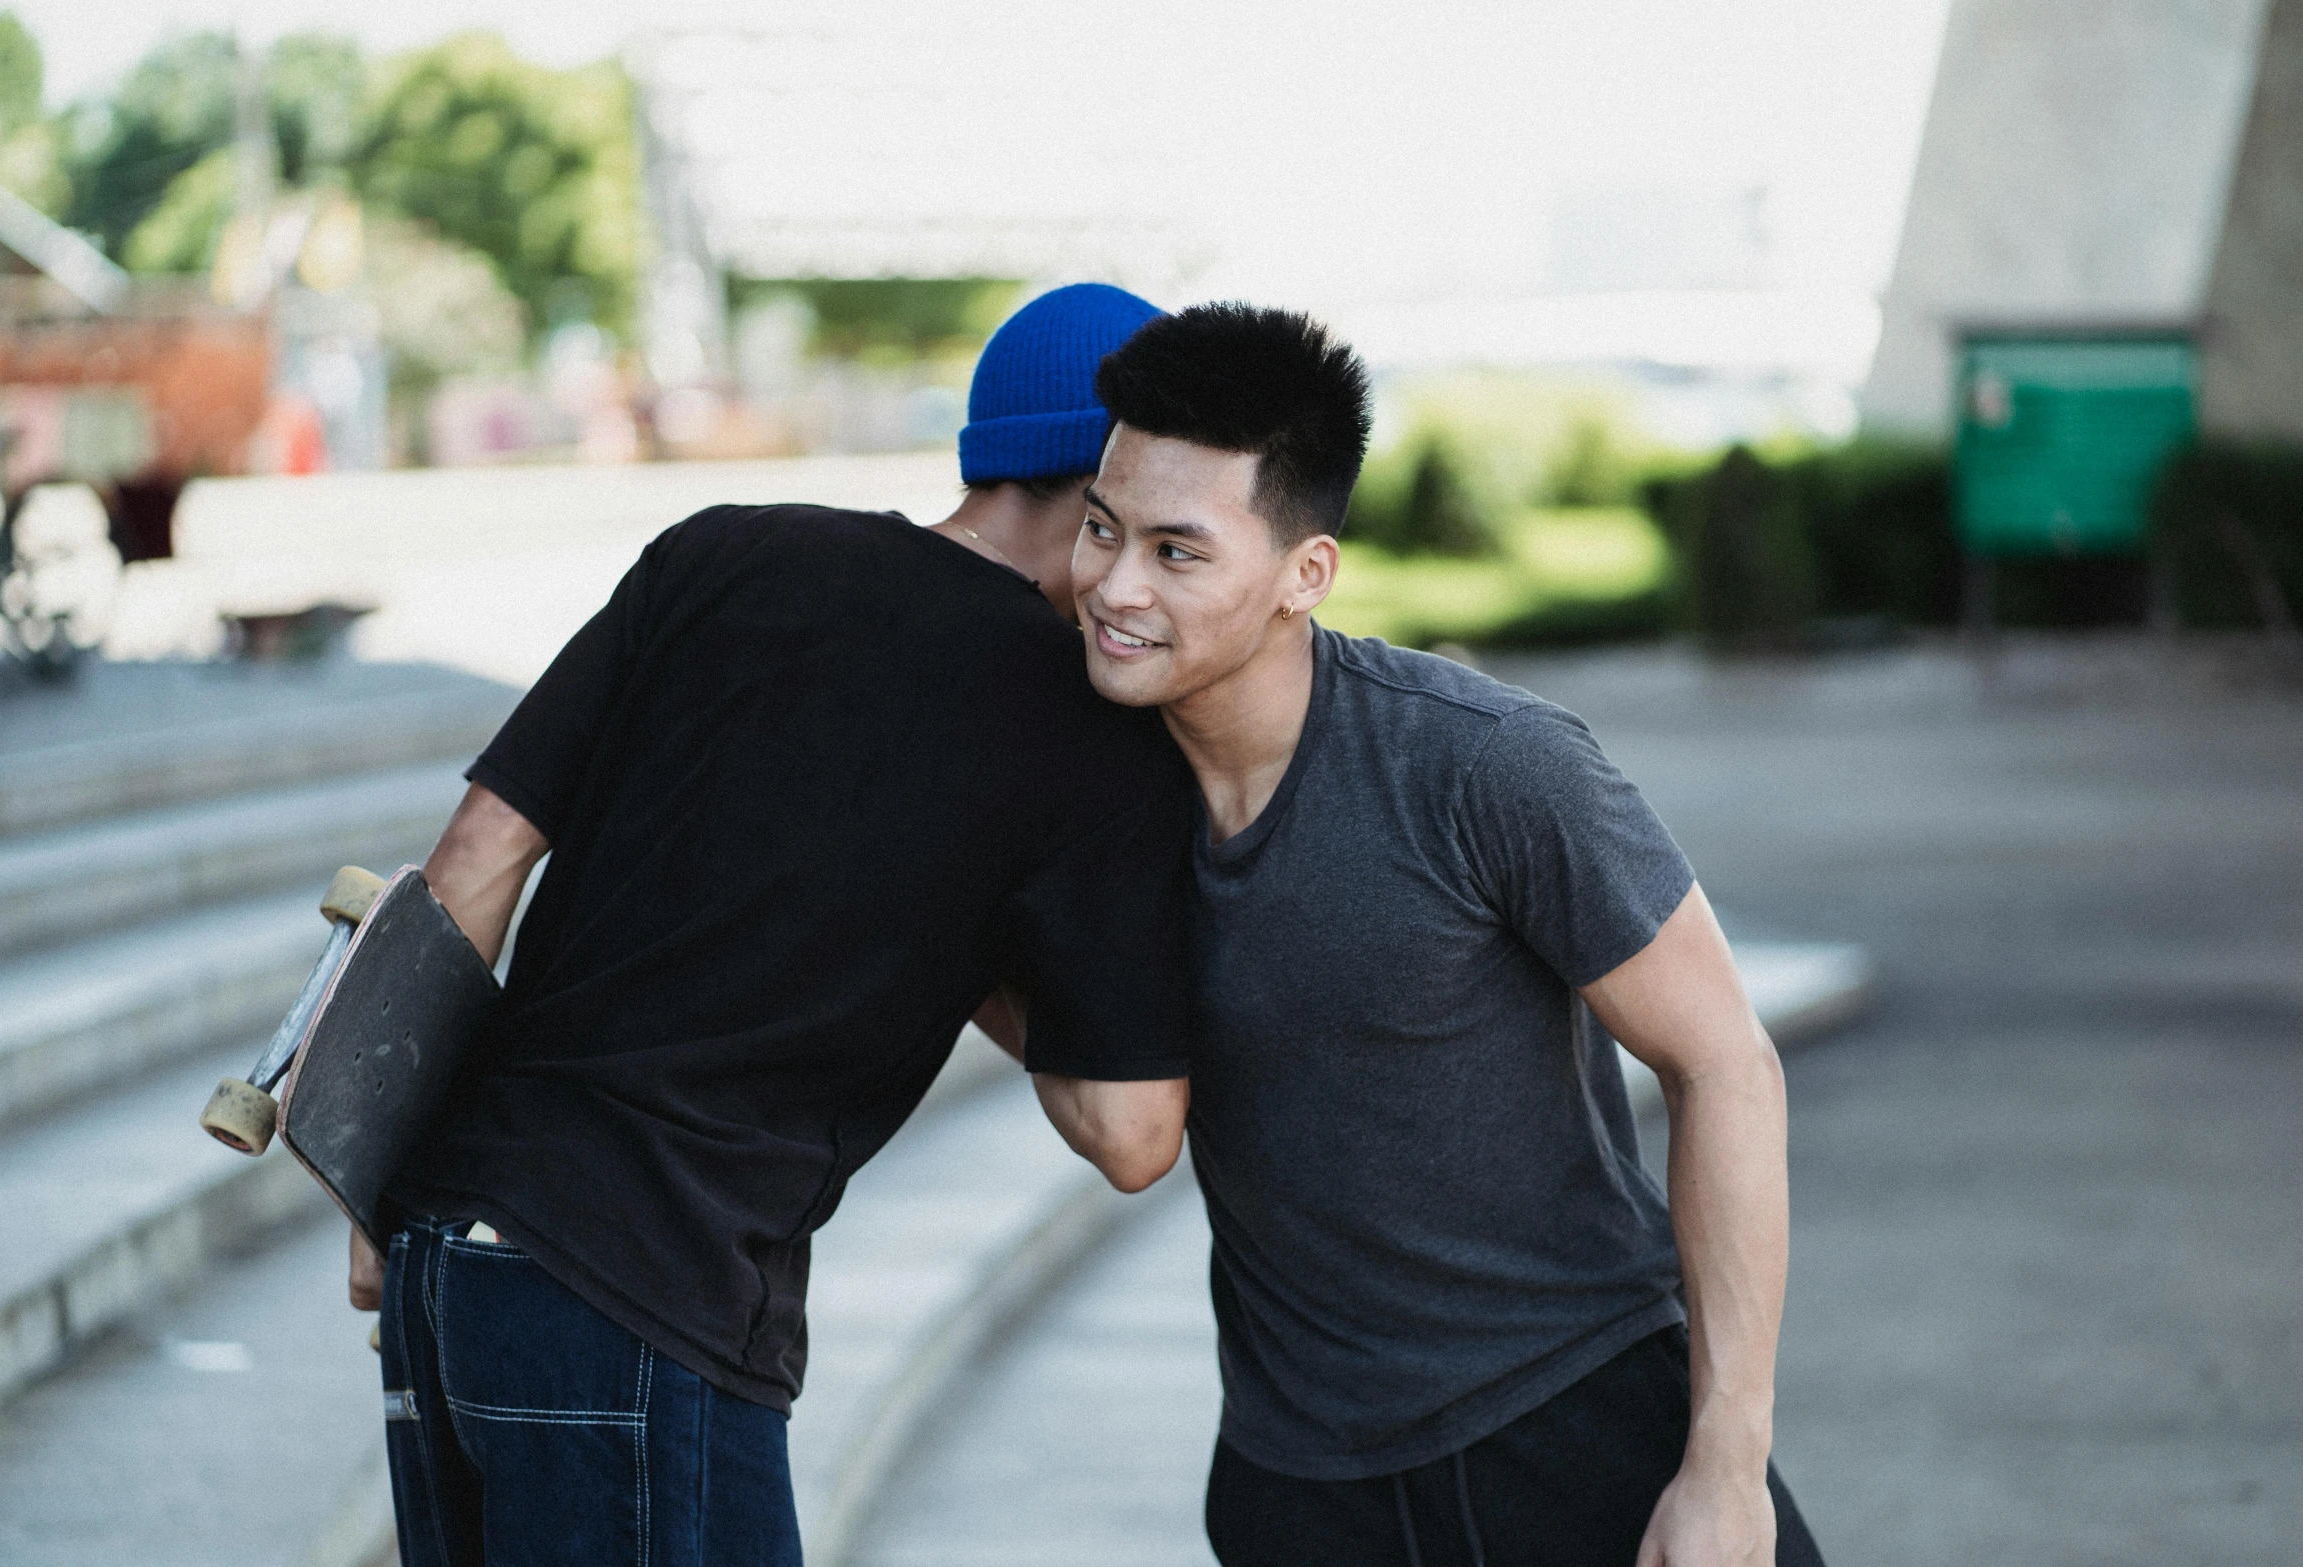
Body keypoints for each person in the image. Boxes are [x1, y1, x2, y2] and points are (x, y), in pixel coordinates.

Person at [353, 283, 1194, 1567]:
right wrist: (971, 938)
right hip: (649, 1293)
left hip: (444, 1255)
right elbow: (1132, 1134)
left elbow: (473, 863)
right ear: (1108, 481)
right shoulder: (1081, 726)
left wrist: (372, 1190)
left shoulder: (721, 552)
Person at [1070, 303, 1826, 1567]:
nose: (1115, 584)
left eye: (1175, 551)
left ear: (1303, 575)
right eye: (1102, 527)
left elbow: (1725, 1063)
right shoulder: (1089, 802)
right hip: (1296, 1487)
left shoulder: (1486, 767)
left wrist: (1724, 1462)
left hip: (1574, 1430)